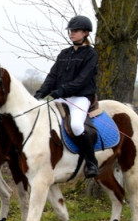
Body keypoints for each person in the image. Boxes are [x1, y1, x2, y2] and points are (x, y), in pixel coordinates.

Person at [34, 15, 99, 179]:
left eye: (75, 31)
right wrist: (41, 93)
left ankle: (91, 162)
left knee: (77, 126)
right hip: (61, 96)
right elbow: (52, 76)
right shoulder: (64, 53)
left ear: (85, 33)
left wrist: (60, 91)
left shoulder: (91, 54)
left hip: (80, 98)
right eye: (71, 31)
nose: (71, 34)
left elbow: (81, 80)